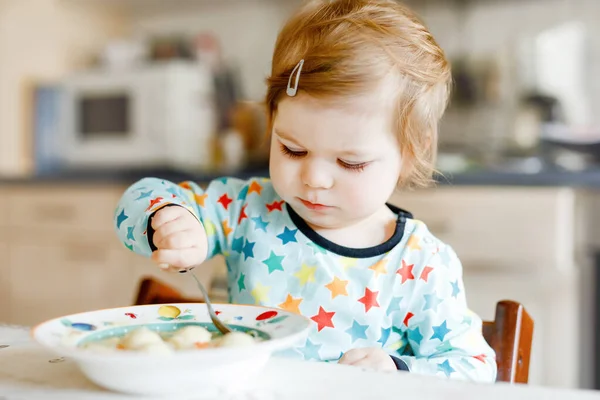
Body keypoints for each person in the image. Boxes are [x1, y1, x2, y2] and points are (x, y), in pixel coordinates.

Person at [114, 0, 497, 381]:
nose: (314, 178)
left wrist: (397, 369)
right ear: (273, 122)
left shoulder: (421, 263)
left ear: (411, 154)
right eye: (292, 149)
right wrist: (166, 219)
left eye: (350, 163)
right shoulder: (245, 209)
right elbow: (141, 196)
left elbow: (474, 369)